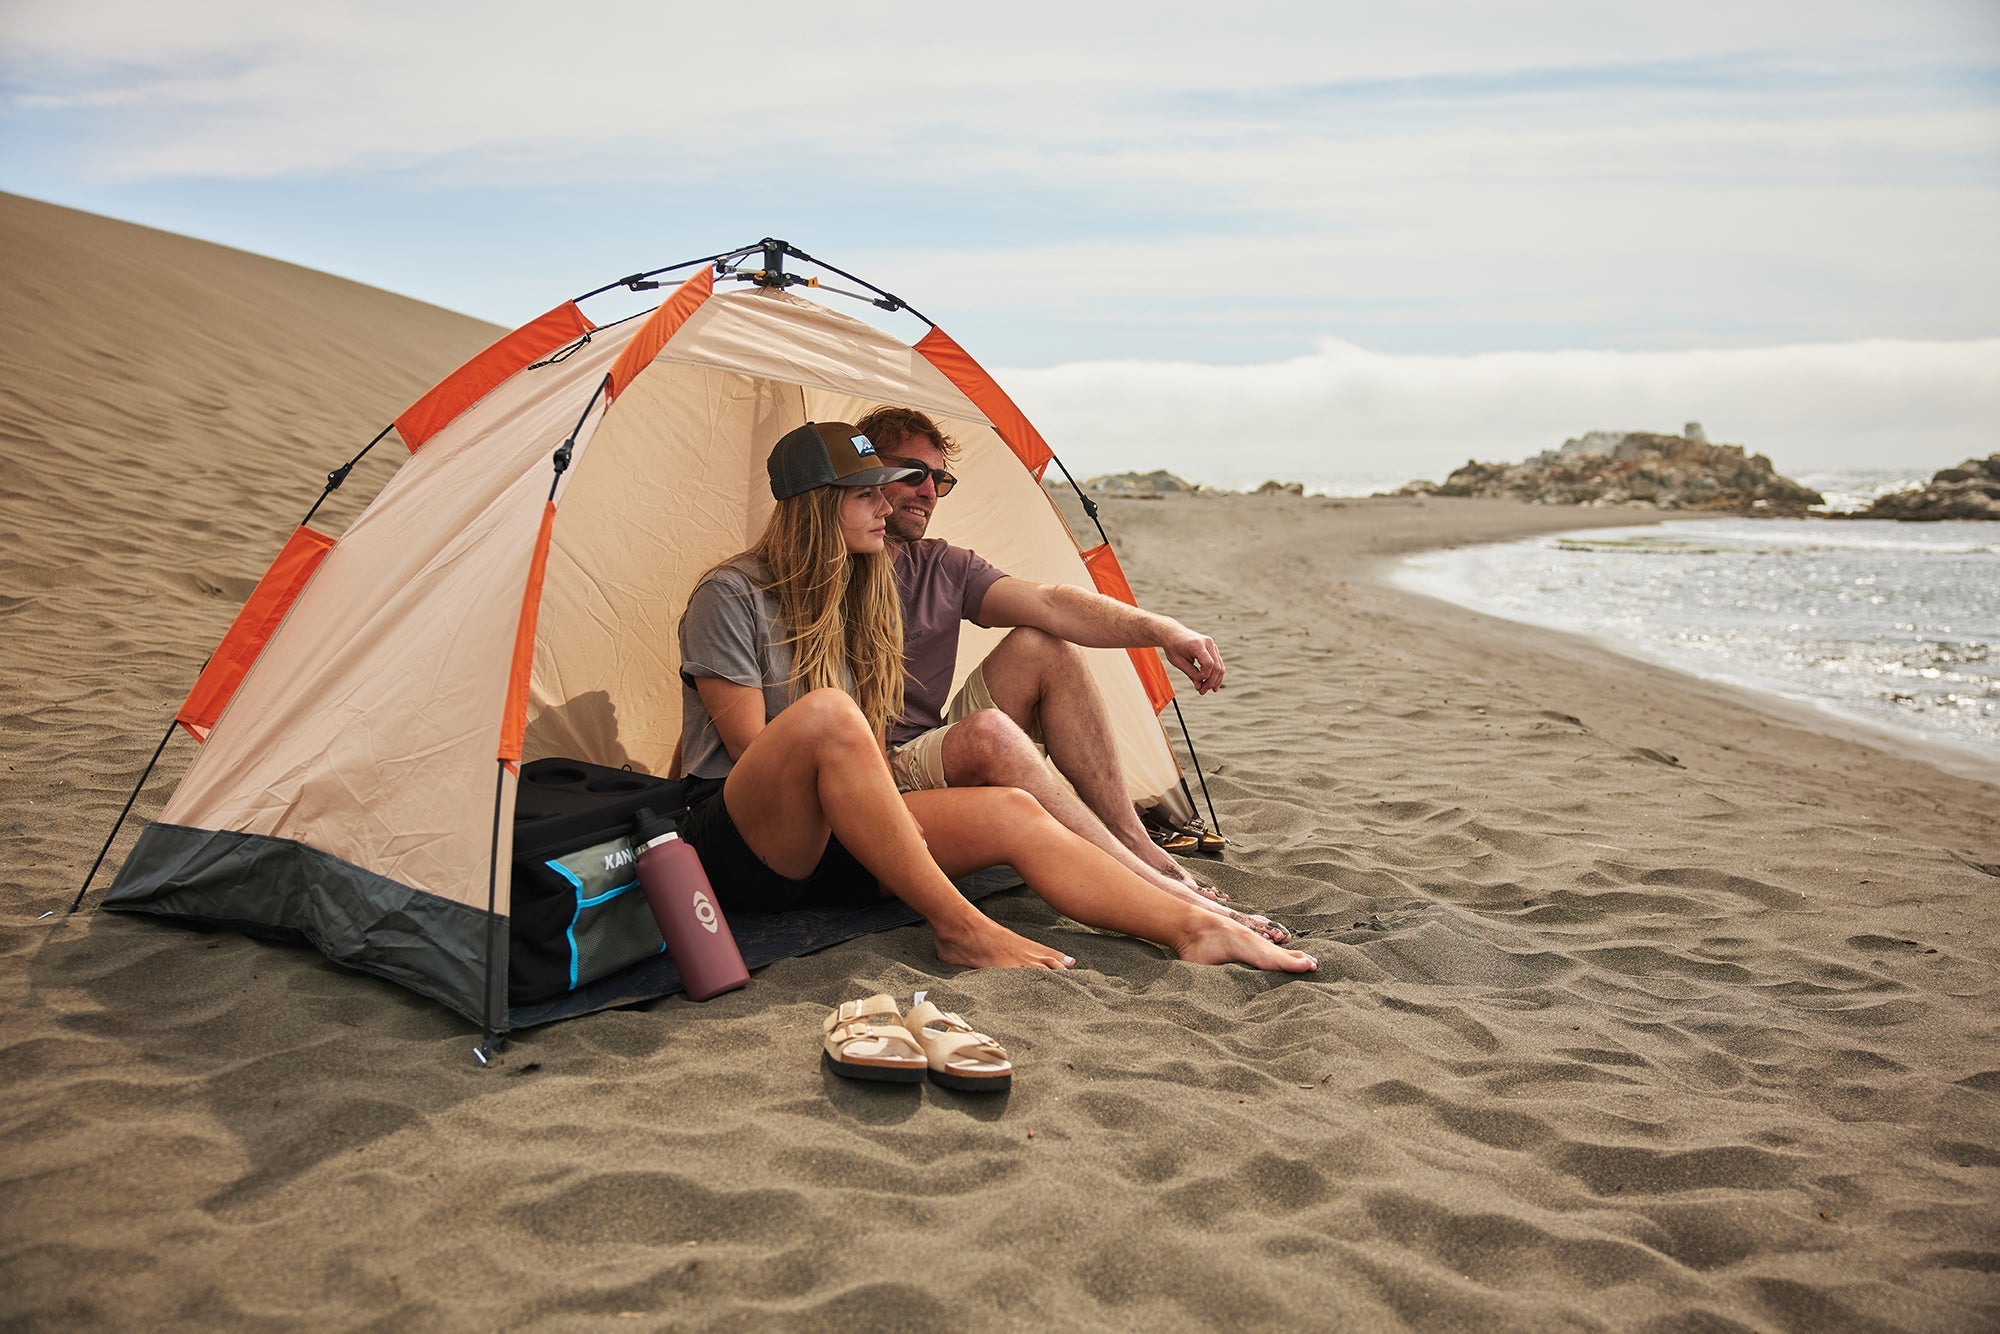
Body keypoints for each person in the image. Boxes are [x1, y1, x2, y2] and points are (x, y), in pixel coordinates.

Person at [674, 419, 1316, 976]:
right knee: (831, 715)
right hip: (751, 844)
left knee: (1014, 811)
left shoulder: (861, 586)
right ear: (818, 503)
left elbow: (1047, 605)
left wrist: (1161, 630)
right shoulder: (731, 596)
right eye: (866, 494)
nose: (886, 506)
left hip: (843, 835)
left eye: (885, 490)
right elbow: (750, 751)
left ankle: (1194, 928)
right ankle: (960, 927)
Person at [853, 405, 1284, 938]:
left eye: (940, 479)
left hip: (924, 746)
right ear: (865, 474)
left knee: (1042, 644)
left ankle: (1131, 838)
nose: (929, 491)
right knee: (987, 733)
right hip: (869, 767)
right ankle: (1145, 884)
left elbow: (1052, 602)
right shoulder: (829, 571)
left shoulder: (940, 565)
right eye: (913, 473)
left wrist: (1164, 630)